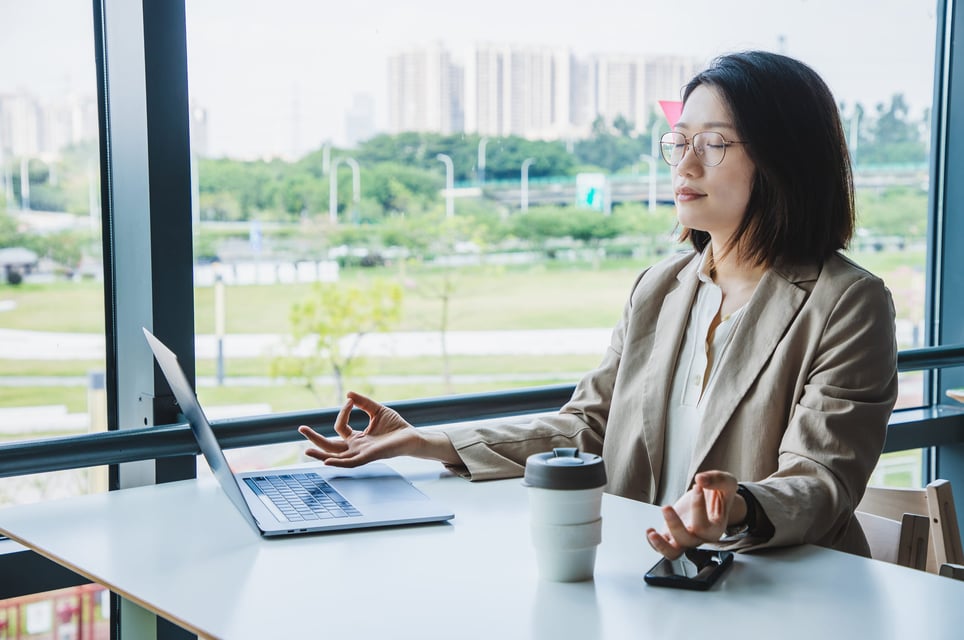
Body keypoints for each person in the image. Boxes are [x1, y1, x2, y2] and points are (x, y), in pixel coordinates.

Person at [299, 50, 898, 560]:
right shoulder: (659, 289)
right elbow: (589, 426)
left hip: (785, 593)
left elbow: (820, 481)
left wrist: (736, 508)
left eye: (713, 144)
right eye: (678, 141)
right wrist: (433, 443)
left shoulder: (848, 303)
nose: (685, 164)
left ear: (784, 159)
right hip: (645, 577)